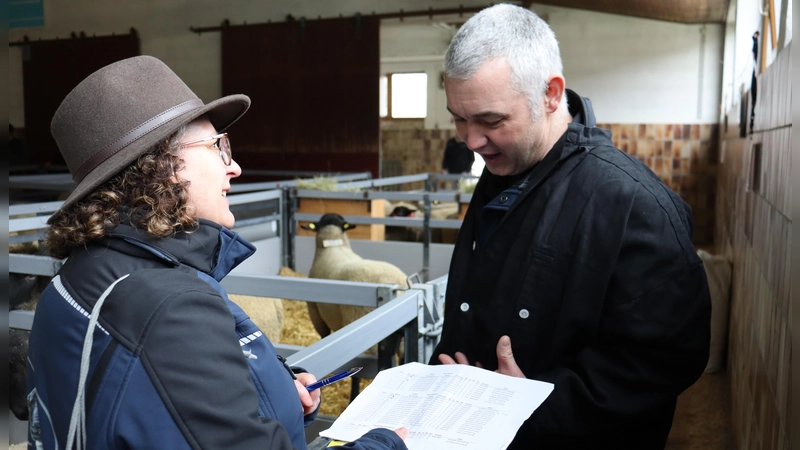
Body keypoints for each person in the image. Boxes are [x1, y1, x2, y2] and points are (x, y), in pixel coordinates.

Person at [26, 55, 407, 450]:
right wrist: (385, 445)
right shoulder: (171, 308)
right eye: (217, 146)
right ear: (162, 166)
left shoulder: (75, 279)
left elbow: (153, 407)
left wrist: (276, 389)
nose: (234, 167)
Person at [430, 5, 711, 449]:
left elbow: (667, 357)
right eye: (459, 118)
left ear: (551, 94)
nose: (471, 141)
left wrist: (532, 405)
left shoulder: (633, 204)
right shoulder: (508, 168)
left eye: (491, 120)